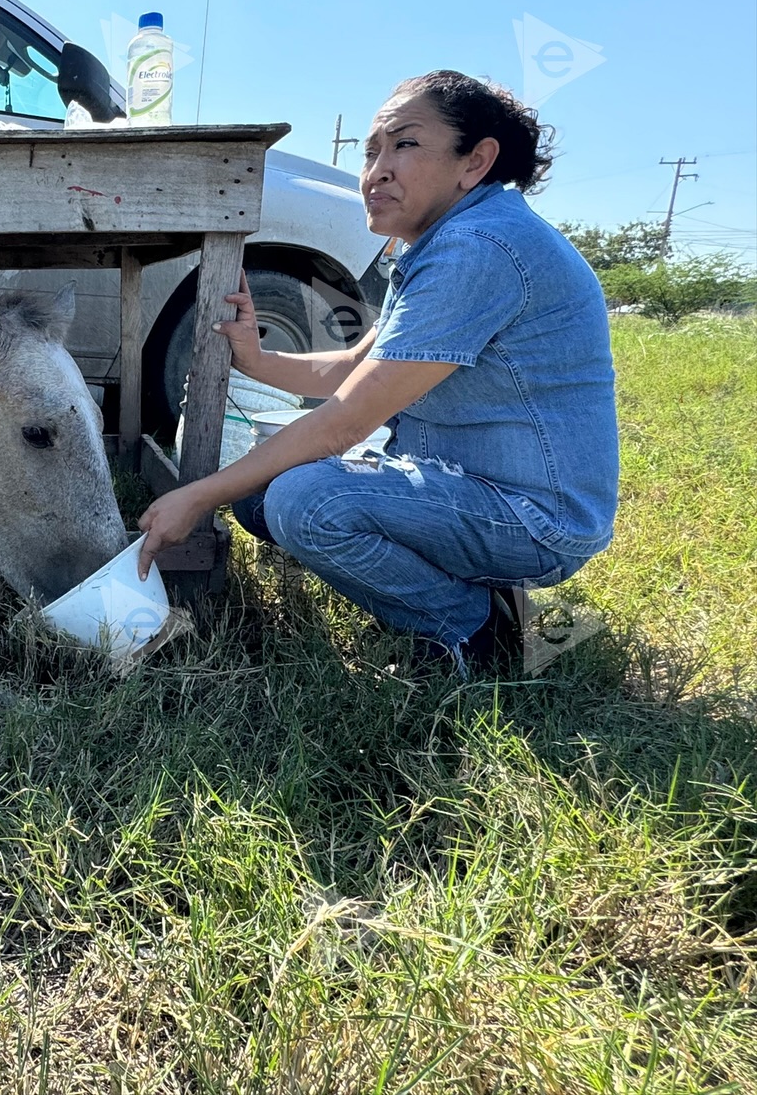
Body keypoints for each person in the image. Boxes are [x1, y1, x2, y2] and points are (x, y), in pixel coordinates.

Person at [136, 70, 619, 675]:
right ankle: (454, 585)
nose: (377, 171)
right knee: (261, 493)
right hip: (469, 485)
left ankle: (469, 630)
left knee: (302, 503)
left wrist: (197, 495)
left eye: (405, 144)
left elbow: (345, 421)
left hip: (533, 519)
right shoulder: (446, 239)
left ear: (476, 161)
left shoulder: (478, 248)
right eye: (372, 151)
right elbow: (355, 366)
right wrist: (255, 357)